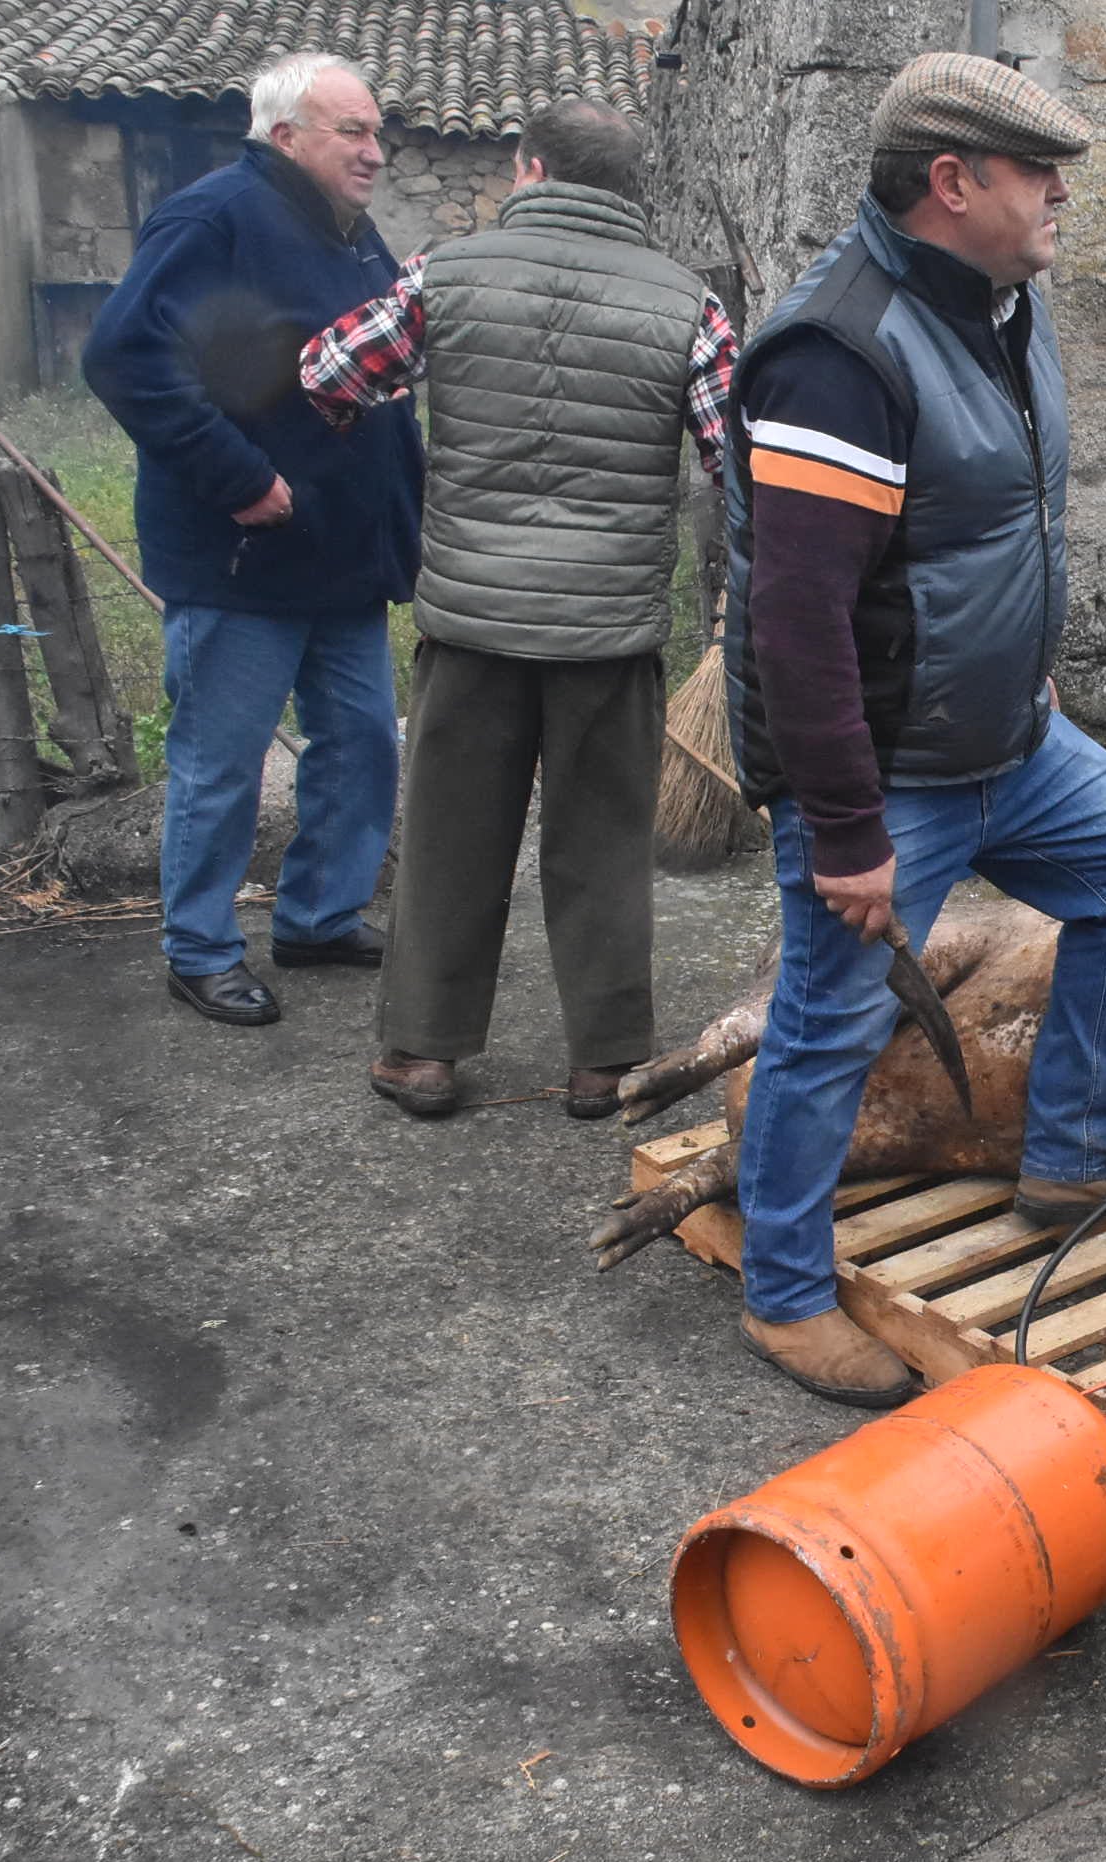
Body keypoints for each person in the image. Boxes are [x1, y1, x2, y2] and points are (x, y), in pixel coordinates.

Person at [720, 53, 1106, 1404]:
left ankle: (1072, 1161)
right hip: (886, 774)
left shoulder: (1002, 302)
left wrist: (1022, 674)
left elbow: (994, 532)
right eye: (1041, 172)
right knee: (830, 1019)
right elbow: (796, 619)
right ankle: (788, 1296)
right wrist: (847, 829)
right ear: (953, 180)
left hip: (1011, 743)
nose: (1060, 196)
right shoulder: (838, 353)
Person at [300, 99, 737, 1121]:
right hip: (609, 628)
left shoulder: (443, 272)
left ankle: (420, 1051)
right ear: (632, 192)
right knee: (603, 845)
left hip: (471, 620)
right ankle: (605, 1061)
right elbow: (738, 462)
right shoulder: (689, 305)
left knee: (452, 834)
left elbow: (327, 372)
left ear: (528, 167)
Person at [83, 52, 421, 1027]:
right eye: (352, 131)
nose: (375, 150)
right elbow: (121, 353)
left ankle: (318, 913)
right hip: (242, 558)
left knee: (360, 746)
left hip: (344, 558)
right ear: (285, 137)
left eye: (375, 131)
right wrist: (239, 478)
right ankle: (198, 947)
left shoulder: (354, 235)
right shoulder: (215, 217)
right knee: (222, 762)